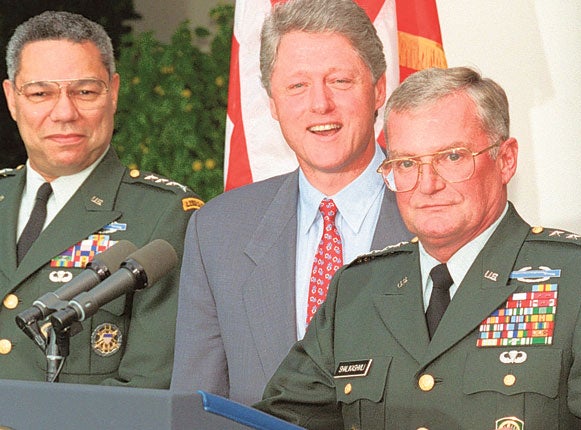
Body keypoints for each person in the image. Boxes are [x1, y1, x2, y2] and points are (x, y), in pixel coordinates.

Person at [254, 67, 581, 429]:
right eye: (406, 163)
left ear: (506, 160)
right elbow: (276, 422)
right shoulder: (357, 290)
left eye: (452, 157)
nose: (427, 183)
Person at [171, 0, 411, 404]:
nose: (320, 104)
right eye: (297, 86)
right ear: (272, 102)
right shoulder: (218, 231)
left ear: (379, 89)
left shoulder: (435, 210)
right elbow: (197, 408)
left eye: (339, 81)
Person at [0, 11, 203, 387]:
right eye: (41, 93)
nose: (64, 113)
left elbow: (146, 389)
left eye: (85, 92)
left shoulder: (164, 217)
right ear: (12, 99)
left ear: (113, 92)